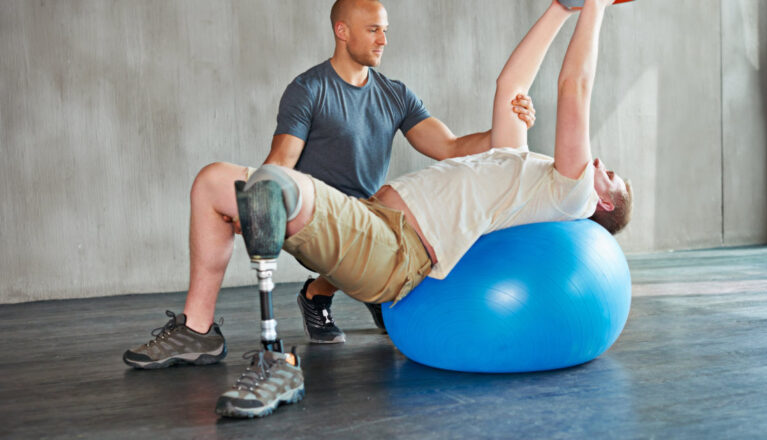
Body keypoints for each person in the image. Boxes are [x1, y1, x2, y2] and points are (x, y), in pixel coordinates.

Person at [215, 0, 633, 419]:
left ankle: (305, 289)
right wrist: (560, 9)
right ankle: (313, 286)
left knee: (258, 192)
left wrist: (595, 5)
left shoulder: (571, 192)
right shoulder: (522, 165)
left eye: (610, 175)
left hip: (399, 239)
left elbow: (574, 88)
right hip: (376, 213)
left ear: (603, 201)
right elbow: (510, 86)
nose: (600, 164)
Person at [122, 0, 538, 370]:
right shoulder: (309, 89)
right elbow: (281, 162)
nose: (383, 40)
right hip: (315, 218)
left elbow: (450, 147)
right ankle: (198, 331)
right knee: (214, 181)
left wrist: (507, 124)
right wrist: (251, 206)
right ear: (342, 32)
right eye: (374, 29)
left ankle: (323, 295)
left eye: (386, 30)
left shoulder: (395, 95)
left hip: (372, 228)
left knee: (382, 217)